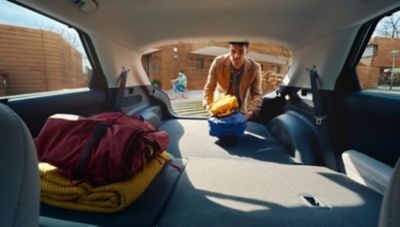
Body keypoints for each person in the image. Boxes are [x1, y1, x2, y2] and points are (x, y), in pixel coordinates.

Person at [203, 41, 262, 120]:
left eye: (241, 52)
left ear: (247, 51)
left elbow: (257, 95)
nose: (236, 56)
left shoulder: (255, 68)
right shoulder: (218, 62)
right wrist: (209, 107)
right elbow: (209, 88)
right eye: (233, 51)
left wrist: (251, 112)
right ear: (229, 50)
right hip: (219, 109)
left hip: (241, 111)